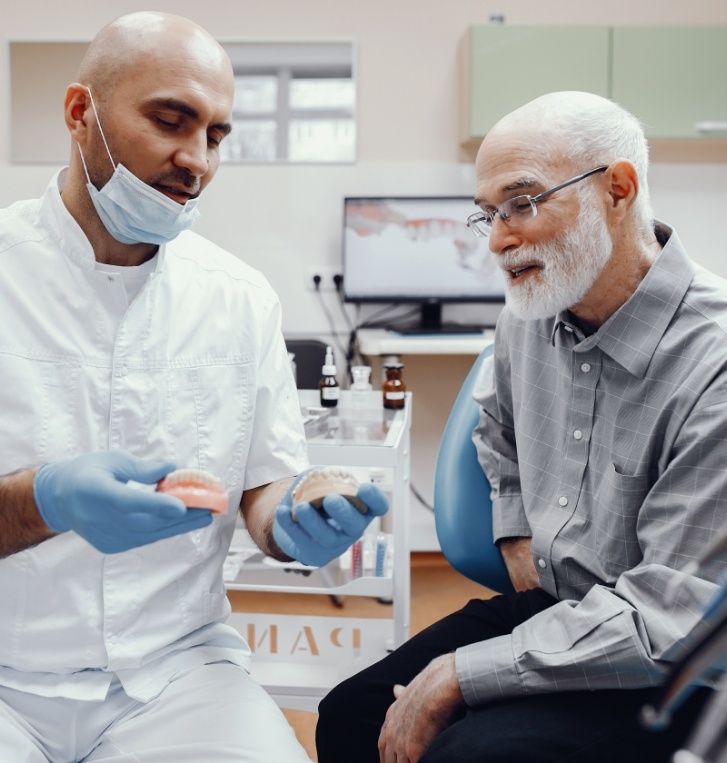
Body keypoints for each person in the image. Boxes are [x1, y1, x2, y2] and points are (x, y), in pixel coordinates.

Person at [0, 12, 387, 763]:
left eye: (215, 135)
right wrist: (43, 498)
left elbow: (264, 487)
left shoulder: (239, 298)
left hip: (177, 674)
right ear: (81, 114)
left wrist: (297, 514)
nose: (196, 160)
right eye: (170, 121)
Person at [316, 90, 727, 763]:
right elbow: (495, 425)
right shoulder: (529, 313)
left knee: (467, 754)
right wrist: (512, 526)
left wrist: (460, 673)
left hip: (667, 656)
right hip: (557, 605)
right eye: (488, 216)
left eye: (522, 202)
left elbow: (665, 618)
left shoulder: (710, 361)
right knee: (351, 717)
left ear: (617, 189)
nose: (500, 239)